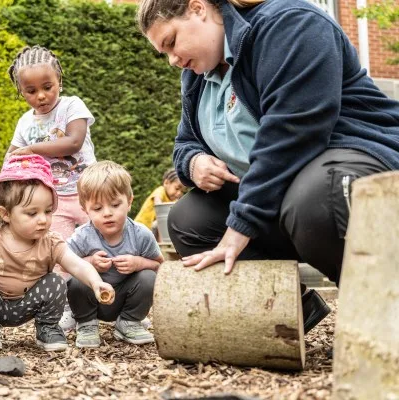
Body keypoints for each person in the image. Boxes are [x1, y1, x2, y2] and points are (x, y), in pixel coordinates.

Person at [138, 0, 399, 333]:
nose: (173, 60)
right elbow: (185, 142)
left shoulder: (290, 24)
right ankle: (287, 314)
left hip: (358, 163)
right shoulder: (197, 75)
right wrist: (193, 162)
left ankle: (382, 316)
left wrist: (241, 224)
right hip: (281, 196)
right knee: (189, 220)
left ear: (198, 9)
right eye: (164, 53)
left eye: (172, 42)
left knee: (317, 200)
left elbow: (292, 135)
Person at [0, 154, 114, 354]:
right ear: (6, 214)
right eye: (32, 213)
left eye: (48, 211)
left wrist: (96, 282)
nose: (43, 220)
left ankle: (47, 327)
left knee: (55, 281)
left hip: (28, 303)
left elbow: (76, 264)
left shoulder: (50, 241)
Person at [66, 161, 164, 348]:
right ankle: (86, 324)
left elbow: (160, 266)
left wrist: (139, 263)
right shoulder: (82, 235)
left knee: (148, 277)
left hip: (125, 299)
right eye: (97, 208)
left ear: (129, 202)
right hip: (92, 299)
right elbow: (63, 263)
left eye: (115, 204)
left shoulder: (141, 234)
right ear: (85, 210)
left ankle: (129, 321)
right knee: (76, 279)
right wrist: (89, 262)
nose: (107, 213)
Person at [5, 45, 97, 245]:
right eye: (31, 91)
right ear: (21, 91)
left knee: (100, 243)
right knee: (59, 250)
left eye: (47, 87)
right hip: (54, 202)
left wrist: (32, 149)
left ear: (59, 81)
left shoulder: (72, 105)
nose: (40, 95)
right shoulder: (25, 122)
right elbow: (10, 158)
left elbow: (74, 142)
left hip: (89, 192)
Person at [134, 168, 184, 241]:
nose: (179, 193)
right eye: (177, 188)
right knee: (161, 222)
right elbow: (159, 212)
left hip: (149, 231)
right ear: (166, 183)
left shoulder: (172, 199)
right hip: (139, 229)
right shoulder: (160, 191)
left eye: (182, 191)